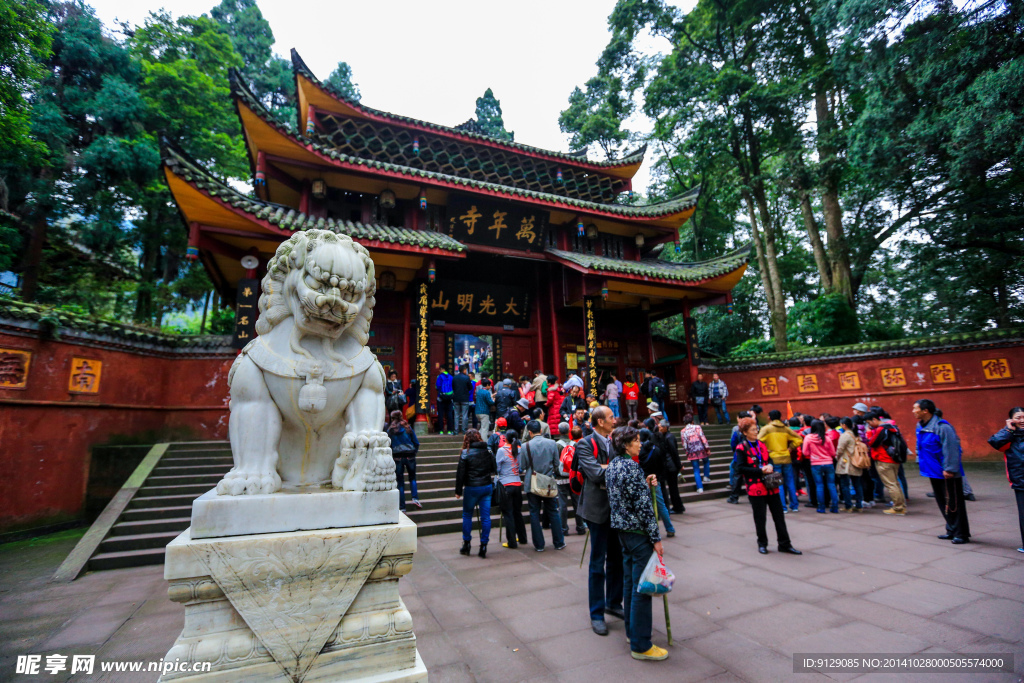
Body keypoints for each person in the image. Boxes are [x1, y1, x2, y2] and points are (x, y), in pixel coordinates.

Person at [606, 425, 669, 661]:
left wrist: (645, 481)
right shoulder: (631, 466)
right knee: (642, 588)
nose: (640, 443)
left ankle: (633, 633)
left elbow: (626, 494)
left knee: (631, 582)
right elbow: (643, 508)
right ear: (625, 445)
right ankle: (642, 644)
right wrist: (656, 538)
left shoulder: (614, 465)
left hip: (622, 530)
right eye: (636, 440)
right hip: (638, 531)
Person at [575, 405, 624, 636]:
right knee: (597, 562)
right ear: (600, 422)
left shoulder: (615, 441)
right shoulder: (585, 443)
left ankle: (614, 603)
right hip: (596, 510)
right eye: (611, 417)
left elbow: (628, 465)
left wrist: (608, 467)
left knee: (617, 558)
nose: (614, 420)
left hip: (617, 508)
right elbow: (594, 474)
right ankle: (596, 613)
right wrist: (615, 468)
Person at [735, 417, 801, 555]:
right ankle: (762, 543)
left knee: (779, 516)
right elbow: (740, 468)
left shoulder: (761, 444)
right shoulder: (741, 448)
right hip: (755, 487)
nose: (756, 431)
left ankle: (785, 544)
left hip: (771, 485)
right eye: (753, 429)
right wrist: (760, 470)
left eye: (756, 428)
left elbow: (768, 458)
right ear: (745, 432)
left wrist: (770, 464)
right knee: (760, 518)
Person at [913, 399, 969, 542]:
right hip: (933, 471)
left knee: (954, 504)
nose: (913, 411)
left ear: (925, 411)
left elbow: (951, 449)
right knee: (942, 502)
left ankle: (961, 534)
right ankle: (951, 529)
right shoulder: (920, 426)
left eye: (915, 408)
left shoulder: (942, 427)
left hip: (947, 472)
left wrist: (949, 469)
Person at [518, 420, 565, 552]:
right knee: (553, 511)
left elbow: (522, 467)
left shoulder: (525, 446)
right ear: (541, 430)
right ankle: (559, 542)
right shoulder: (552, 443)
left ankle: (539, 545)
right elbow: (557, 463)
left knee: (534, 513)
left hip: (532, 482)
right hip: (548, 481)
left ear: (530, 432)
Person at [988, 407, 1024, 553]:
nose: (1022, 420)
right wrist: (1008, 429)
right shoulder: (1010, 435)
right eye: (1018, 417)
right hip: (1020, 480)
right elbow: (995, 442)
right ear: (1011, 420)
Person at [455, 429, 496, 557]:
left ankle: (466, 543)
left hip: (471, 487)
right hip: (486, 486)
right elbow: (494, 468)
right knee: (486, 517)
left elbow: (460, 474)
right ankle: (484, 545)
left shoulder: (465, 453)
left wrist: (458, 491)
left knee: (467, 515)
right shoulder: (488, 450)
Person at [759, 410, 802, 512]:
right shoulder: (785, 428)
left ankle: (783, 507)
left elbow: (758, 441)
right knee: (790, 482)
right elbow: (799, 439)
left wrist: (765, 449)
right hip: (786, 457)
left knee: (779, 484)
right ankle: (794, 506)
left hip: (774, 458)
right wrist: (791, 448)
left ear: (769, 417)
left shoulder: (766, 429)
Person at [866, 408, 907, 516]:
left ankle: (898, 508)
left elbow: (872, 443)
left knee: (891, 484)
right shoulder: (892, 426)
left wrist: (869, 433)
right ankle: (901, 505)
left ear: (874, 419)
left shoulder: (881, 429)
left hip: (884, 459)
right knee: (895, 483)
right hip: (893, 458)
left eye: (869, 422)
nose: (869, 425)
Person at [638, 428, 675, 537]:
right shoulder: (656, 449)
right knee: (661, 505)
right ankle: (669, 528)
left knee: (645, 506)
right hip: (655, 480)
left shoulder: (639, 451)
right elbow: (661, 465)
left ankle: (650, 531)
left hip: (642, 479)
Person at [495, 429, 528, 548]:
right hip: (517, 484)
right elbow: (521, 467)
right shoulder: (520, 450)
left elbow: (497, 468)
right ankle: (523, 537)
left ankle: (512, 541)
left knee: (508, 513)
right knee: (517, 512)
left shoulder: (501, 451)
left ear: (506, 438)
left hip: (506, 485)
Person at [556, 423, 586, 536]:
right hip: (573, 477)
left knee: (562, 505)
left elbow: (555, 461)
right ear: (569, 431)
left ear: (559, 431)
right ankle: (580, 527)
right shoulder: (575, 444)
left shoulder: (557, 445)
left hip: (561, 478)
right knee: (577, 502)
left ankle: (564, 529)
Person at [387, 410, 421, 512]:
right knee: (412, 478)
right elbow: (416, 442)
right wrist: (414, 452)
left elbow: (388, 445)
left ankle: (402, 507)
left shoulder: (391, 430)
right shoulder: (407, 428)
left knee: (400, 483)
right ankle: (415, 498)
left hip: (397, 457)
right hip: (410, 455)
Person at [804, 419, 839, 514]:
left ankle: (821, 507)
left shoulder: (808, 438)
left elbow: (805, 452)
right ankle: (835, 507)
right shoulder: (826, 438)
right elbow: (832, 452)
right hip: (828, 463)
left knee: (819, 486)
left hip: (815, 464)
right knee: (831, 485)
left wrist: (813, 454)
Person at [835, 417, 863, 512]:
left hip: (846, 462)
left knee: (845, 485)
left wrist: (836, 457)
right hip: (856, 461)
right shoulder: (855, 434)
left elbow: (840, 449)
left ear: (844, 425)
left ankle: (848, 506)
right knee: (857, 484)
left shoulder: (845, 435)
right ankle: (859, 506)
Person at [657, 420, 685, 513]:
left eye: (661, 426)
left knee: (673, 488)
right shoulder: (665, 436)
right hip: (670, 465)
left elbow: (674, 452)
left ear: (666, 427)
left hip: (671, 466)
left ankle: (678, 507)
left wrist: (678, 465)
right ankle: (677, 506)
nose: (659, 428)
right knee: (673, 487)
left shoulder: (669, 437)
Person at [680, 415, 711, 493]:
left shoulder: (683, 431)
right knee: (706, 461)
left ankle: (700, 488)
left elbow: (684, 444)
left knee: (696, 469)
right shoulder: (697, 427)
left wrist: (686, 451)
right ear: (692, 421)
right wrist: (707, 448)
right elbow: (702, 437)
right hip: (701, 449)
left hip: (691, 451)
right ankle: (706, 476)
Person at [452, 365, 474, 434]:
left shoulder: (454, 378)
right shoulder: (466, 378)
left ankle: (456, 430)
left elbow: (453, 387)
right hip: (464, 398)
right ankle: (464, 430)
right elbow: (470, 387)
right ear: (464, 370)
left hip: (456, 398)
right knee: (464, 415)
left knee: (456, 415)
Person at [434, 368, 455, 434]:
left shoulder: (439, 377)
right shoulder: (451, 377)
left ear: (442, 369)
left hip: (441, 398)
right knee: (449, 414)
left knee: (440, 414)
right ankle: (450, 430)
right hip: (449, 398)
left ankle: (441, 430)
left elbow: (437, 387)